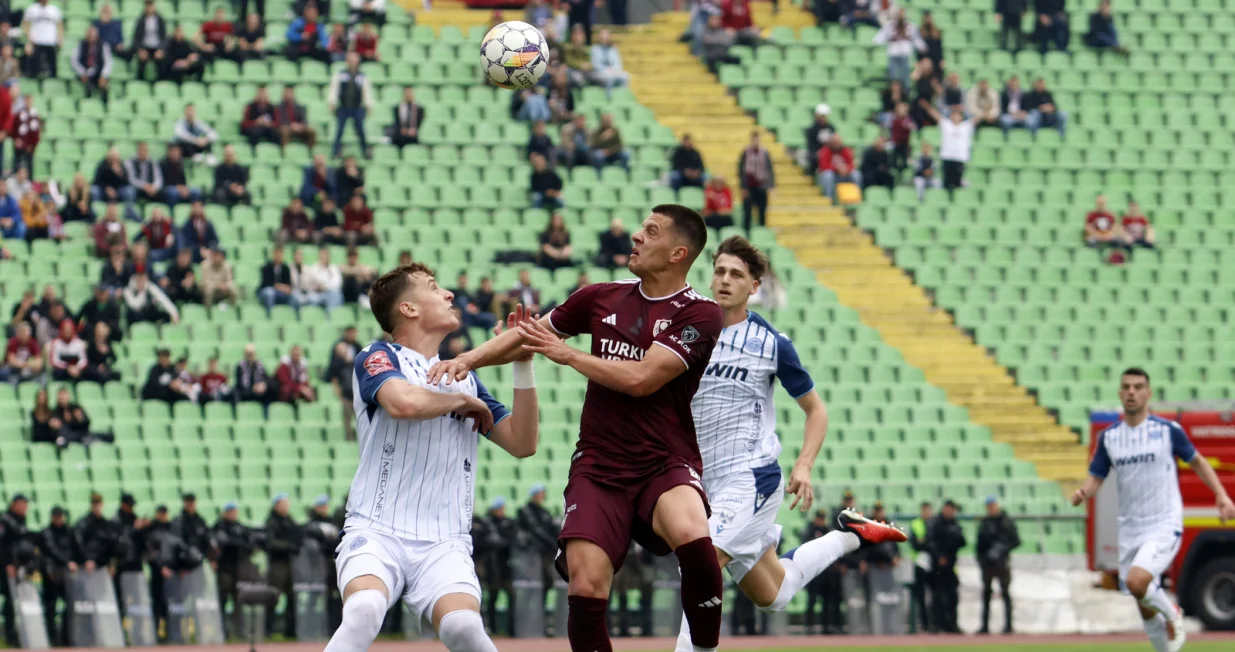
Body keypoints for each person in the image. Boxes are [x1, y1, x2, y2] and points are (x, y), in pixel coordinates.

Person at [428, 205, 727, 652]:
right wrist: (467, 359)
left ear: (677, 253)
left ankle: (703, 650)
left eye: (651, 231)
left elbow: (642, 379)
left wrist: (567, 355)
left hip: (664, 460)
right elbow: (529, 334)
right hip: (598, 465)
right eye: (640, 227)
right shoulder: (600, 296)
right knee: (584, 586)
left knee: (695, 538)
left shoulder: (702, 313)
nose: (636, 236)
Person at [673, 236, 905, 652]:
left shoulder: (771, 342)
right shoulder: (686, 331)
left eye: (736, 275)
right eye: (720, 271)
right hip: (702, 483)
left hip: (751, 478)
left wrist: (804, 465)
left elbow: (817, 410)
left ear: (754, 287)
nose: (725, 280)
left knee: (701, 567)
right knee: (774, 594)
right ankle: (851, 535)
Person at [320, 263, 540, 652]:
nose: (449, 294)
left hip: (445, 541)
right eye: (435, 287)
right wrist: (459, 400)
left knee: (465, 630)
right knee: (364, 610)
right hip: (376, 529)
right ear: (408, 309)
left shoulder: (465, 377)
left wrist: (522, 363)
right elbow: (402, 402)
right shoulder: (378, 354)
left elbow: (522, 442)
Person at [1071, 368, 1235, 652]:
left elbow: (1198, 462)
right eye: (1126, 387)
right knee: (1141, 599)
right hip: (1129, 527)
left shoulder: (1167, 431)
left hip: (1162, 523)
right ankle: (1165, 650)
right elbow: (1097, 475)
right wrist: (1084, 491)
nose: (1131, 392)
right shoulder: (1109, 438)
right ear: (1120, 393)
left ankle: (1173, 614)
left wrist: (1221, 495)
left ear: (1149, 393)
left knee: (1137, 583)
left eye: (1138, 387)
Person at [977, 496, 1020, 634]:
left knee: (1005, 594)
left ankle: (1008, 625)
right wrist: (982, 559)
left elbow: (1016, 540)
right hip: (988, 564)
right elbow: (979, 545)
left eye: (993, 505)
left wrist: (1001, 549)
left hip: (1002, 563)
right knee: (986, 594)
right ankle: (984, 626)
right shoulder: (985, 523)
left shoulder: (1006, 522)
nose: (991, 508)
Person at [517, 484, 560, 619]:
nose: (541, 496)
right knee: (531, 587)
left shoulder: (544, 512)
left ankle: (539, 618)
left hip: (544, 555)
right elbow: (536, 529)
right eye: (538, 493)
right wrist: (552, 543)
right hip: (532, 556)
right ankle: (526, 619)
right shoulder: (526, 511)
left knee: (546, 584)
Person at [39, 505, 78, 646]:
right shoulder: (46, 532)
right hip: (51, 574)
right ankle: (52, 638)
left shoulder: (68, 531)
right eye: (57, 516)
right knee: (50, 606)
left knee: (70, 604)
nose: (59, 519)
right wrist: (67, 562)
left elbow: (76, 548)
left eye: (61, 516)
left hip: (65, 574)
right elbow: (51, 549)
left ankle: (66, 638)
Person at [264, 494, 302, 639]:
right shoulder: (272, 522)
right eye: (283, 505)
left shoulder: (290, 521)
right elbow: (271, 542)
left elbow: (297, 536)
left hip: (289, 562)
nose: (286, 508)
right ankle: (268, 630)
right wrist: (288, 546)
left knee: (292, 596)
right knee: (273, 596)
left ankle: (290, 630)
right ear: (276, 506)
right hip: (277, 563)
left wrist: (296, 545)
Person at [926, 499, 965, 634]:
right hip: (937, 566)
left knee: (952, 596)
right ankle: (936, 624)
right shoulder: (936, 524)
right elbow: (930, 542)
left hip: (951, 565)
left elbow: (961, 542)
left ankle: (952, 624)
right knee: (937, 596)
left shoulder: (955, 524)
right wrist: (939, 557)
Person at [328, 52, 374, 158]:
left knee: (361, 131)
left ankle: (365, 150)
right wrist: (332, 102)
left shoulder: (362, 76)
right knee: (339, 130)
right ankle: (335, 151)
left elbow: (366, 91)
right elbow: (335, 89)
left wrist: (368, 105)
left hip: (357, 107)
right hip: (344, 107)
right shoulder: (341, 74)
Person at [738, 131, 774, 234]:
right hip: (749, 187)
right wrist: (743, 187)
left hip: (761, 186)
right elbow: (741, 171)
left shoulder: (765, 153)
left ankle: (762, 233)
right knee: (747, 213)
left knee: (762, 212)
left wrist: (771, 185)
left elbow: (769, 169)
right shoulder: (746, 153)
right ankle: (746, 233)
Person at [908, 501, 934, 632]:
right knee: (920, 596)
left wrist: (924, 542)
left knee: (936, 595)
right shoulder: (916, 524)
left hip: (933, 564)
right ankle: (924, 624)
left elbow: (935, 543)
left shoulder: (935, 524)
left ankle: (934, 624)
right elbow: (914, 544)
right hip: (919, 563)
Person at [21, 0, 64, 79]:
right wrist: (29, 37)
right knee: (35, 64)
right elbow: (25, 23)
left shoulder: (54, 9)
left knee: (52, 64)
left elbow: (60, 25)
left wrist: (60, 37)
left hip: (51, 40)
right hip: (37, 40)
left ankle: (53, 79)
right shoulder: (32, 9)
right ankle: (33, 81)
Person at [71, 25, 112, 105]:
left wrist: (104, 75)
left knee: (104, 85)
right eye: (89, 34)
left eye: (93, 35)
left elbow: (108, 61)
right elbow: (74, 61)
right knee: (88, 85)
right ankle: (86, 104)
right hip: (85, 72)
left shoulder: (103, 45)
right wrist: (82, 72)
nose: (91, 37)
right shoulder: (81, 44)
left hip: (98, 72)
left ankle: (105, 105)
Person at [130, 0, 167, 80]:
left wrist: (161, 50)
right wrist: (140, 50)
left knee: (161, 62)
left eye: (151, 6)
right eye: (148, 6)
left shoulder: (160, 20)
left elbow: (164, 37)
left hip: (157, 47)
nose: (150, 8)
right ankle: (140, 82)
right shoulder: (140, 20)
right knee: (141, 61)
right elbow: (135, 38)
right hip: (145, 47)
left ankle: (160, 82)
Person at [302, 247, 345, 312]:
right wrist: (323, 285)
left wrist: (325, 286)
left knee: (336, 294)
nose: (324, 257)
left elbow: (338, 283)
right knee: (311, 298)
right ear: (319, 256)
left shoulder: (333, 268)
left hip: (330, 294)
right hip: (317, 295)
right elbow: (313, 282)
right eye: (322, 255)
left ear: (329, 256)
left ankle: (330, 316)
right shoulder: (314, 268)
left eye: (326, 255)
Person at [259, 245, 300, 311]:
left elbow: (288, 283)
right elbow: (266, 283)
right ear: (273, 254)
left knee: (294, 295)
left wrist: (287, 288)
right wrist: (278, 286)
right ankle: (270, 315)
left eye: (281, 253)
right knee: (269, 293)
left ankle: (291, 315)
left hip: (281, 292)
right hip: (268, 290)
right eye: (277, 253)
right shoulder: (266, 267)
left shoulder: (286, 268)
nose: (279, 256)